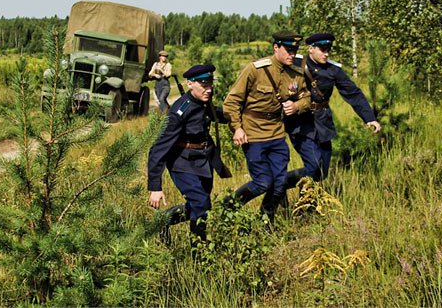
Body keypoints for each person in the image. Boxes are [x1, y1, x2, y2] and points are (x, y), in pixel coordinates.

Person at [221, 31, 312, 224]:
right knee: (263, 182)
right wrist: (237, 128)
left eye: (295, 50)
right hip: (253, 134)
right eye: (288, 49)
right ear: (276, 47)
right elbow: (231, 102)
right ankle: (229, 207)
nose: (292, 54)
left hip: (277, 134)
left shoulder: (296, 74)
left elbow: (306, 97)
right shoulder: (255, 70)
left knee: (279, 184)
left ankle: (265, 222)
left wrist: (297, 106)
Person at [283, 32, 381, 191]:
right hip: (300, 122)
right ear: (311, 49)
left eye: (328, 49)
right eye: (322, 49)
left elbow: (353, 93)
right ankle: (304, 206)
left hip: (323, 123)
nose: (326, 53)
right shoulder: (295, 63)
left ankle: (281, 183)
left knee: (322, 171)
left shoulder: (333, 70)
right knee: (314, 165)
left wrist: (369, 118)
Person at [147, 64, 230, 244]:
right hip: (182, 163)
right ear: (190, 84)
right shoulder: (179, 112)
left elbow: (218, 115)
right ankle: (199, 251)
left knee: (201, 204)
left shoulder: (204, 102)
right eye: (204, 85)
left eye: (210, 84)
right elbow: (158, 148)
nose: (208, 89)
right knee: (201, 204)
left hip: (203, 161)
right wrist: (155, 186)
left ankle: (165, 220)